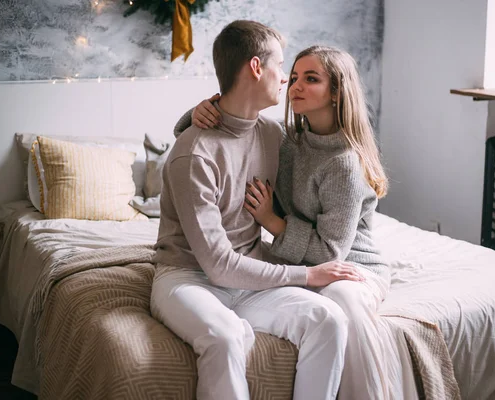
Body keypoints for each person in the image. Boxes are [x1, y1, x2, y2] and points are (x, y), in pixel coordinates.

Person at [150, 21, 367, 400]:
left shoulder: (272, 136)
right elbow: (217, 264)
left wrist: (203, 108)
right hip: (189, 278)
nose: (285, 80)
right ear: (255, 67)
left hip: (250, 278)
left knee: (329, 320)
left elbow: (323, 159)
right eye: (282, 67)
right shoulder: (193, 154)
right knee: (225, 336)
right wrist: (307, 274)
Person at [190, 45, 395, 400]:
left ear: (336, 92)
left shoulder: (344, 164)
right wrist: (199, 111)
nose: (295, 85)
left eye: (311, 79)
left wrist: (271, 220)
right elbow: (237, 120)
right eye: (295, 77)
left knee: (340, 301)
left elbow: (330, 252)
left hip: (352, 267)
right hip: (302, 262)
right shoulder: (287, 141)